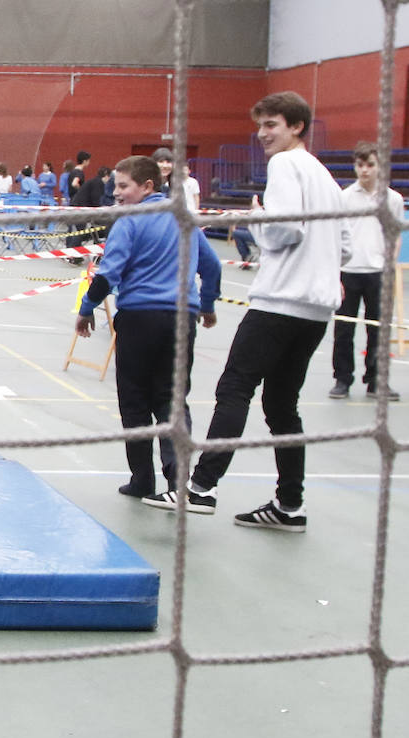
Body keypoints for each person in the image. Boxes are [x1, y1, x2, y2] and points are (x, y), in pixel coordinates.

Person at [144, 91, 352, 531]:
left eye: (272, 125)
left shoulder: (285, 165)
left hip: (279, 302)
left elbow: (285, 231)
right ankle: (289, 506)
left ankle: (199, 488)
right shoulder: (327, 178)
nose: (262, 135)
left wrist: (258, 220)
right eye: (260, 126)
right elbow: (345, 245)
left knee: (235, 387)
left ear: (296, 126)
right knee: (282, 407)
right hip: (316, 310)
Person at [75, 156, 221, 498]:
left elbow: (108, 274)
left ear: (148, 186)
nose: (117, 193)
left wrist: (86, 309)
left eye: (124, 186)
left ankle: (142, 478)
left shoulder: (130, 220)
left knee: (135, 401)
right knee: (172, 399)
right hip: (181, 320)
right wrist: (209, 305)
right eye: (115, 186)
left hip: (139, 320)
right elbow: (212, 267)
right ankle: (177, 479)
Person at [330, 140, 402, 401]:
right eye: (360, 165)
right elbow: (336, 233)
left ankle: (376, 382)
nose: (365, 170)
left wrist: (389, 263)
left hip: (378, 273)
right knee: (344, 329)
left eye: (370, 165)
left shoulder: (392, 199)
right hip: (349, 271)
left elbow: (395, 234)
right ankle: (342, 379)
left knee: (378, 330)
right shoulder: (345, 198)